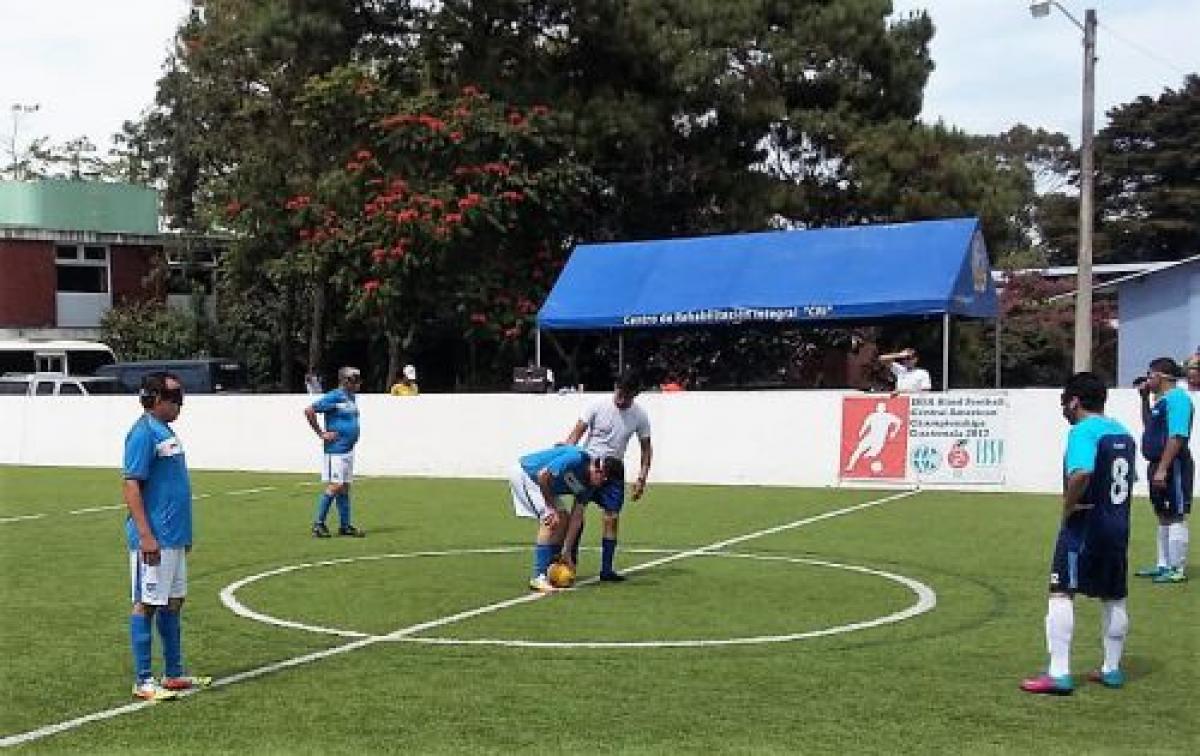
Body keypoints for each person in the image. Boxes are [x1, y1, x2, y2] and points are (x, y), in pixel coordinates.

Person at [1020, 372, 1136, 695]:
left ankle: (1059, 673)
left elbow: (1082, 472)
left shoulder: (1083, 432)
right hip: (1118, 524)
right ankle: (1111, 669)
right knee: (1114, 596)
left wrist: (1068, 507)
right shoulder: (1123, 433)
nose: (1063, 409)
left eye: (1064, 402)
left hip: (1086, 523)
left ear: (1074, 401)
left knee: (1061, 592)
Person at [122, 371, 212, 701]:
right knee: (146, 604)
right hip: (154, 538)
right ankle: (143, 680)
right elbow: (131, 485)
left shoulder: (166, 431)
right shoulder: (143, 433)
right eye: (176, 399)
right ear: (156, 398)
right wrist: (146, 535)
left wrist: (185, 534)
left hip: (174, 537)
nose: (180, 405)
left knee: (174, 602)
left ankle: (173, 673)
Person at [560, 370, 652, 582]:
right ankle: (569, 560)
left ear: (635, 394)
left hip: (614, 470)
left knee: (611, 517)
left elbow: (646, 449)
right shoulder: (596, 406)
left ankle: (606, 570)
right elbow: (575, 435)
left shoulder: (640, 415)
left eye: (627, 396)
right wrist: (564, 457)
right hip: (588, 467)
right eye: (619, 393)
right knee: (578, 513)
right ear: (615, 387)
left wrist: (641, 478)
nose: (621, 399)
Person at [510, 445, 622, 592]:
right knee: (551, 520)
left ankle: (552, 568)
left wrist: (567, 551)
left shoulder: (590, 485)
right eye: (604, 480)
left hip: (544, 485)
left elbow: (577, 517)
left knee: (563, 519)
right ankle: (539, 577)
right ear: (599, 470)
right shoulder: (576, 459)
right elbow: (543, 475)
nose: (602, 485)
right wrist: (550, 508)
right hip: (527, 475)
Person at [1135, 357, 1193, 583]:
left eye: (1150, 375)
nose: (1148, 380)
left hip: (1173, 464)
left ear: (1160, 376)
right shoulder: (1162, 400)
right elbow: (1149, 425)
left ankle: (1176, 568)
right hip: (1158, 463)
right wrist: (1144, 400)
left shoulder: (1178, 399)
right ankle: (1163, 564)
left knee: (1176, 514)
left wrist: (1163, 468)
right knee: (1162, 514)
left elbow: (1177, 436)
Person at [305, 366, 366, 538]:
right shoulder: (334, 396)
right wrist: (321, 433)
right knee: (336, 485)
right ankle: (319, 524)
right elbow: (309, 410)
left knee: (345, 487)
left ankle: (345, 525)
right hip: (336, 450)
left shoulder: (351, 396)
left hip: (348, 449)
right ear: (345, 381)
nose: (358, 383)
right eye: (355, 380)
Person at [844, 401, 904, 472]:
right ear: (876, 408)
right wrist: (861, 431)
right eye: (878, 407)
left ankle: (871, 466)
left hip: (879, 440)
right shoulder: (872, 416)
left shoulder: (888, 416)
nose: (880, 409)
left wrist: (894, 432)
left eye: (882, 407)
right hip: (870, 437)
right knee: (858, 450)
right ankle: (850, 466)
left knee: (870, 454)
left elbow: (899, 422)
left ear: (884, 409)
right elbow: (866, 424)